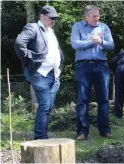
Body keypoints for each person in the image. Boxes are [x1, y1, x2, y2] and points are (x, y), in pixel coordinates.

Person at [14, 5, 64, 140]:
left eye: (55, 18)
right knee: (45, 105)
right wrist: (29, 58)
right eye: (51, 18)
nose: (53, 20)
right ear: (42, 16)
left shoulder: (51, 31)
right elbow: (19, 43)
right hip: (40, 74)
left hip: (55, 74)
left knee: (48, 107)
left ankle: (43, 136)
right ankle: (39, 138)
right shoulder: (33, 27)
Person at [71, 5, 115, 140]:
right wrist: (92, 42)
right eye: (94, 16)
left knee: (103, 99)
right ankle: (82, 131)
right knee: (82, 99)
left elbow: (111, 45)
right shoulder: (77, 27)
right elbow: (75, 44)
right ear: (87, 16)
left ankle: (104, 130)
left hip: (101, 65)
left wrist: (101, 41)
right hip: (83, 66)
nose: (97, 18)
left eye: (98, 15)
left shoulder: (104, 27)